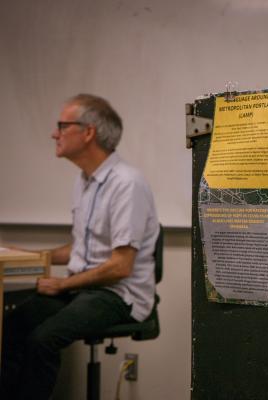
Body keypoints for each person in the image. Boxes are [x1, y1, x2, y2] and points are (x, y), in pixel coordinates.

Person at [0, 94, 159, 399]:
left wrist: (63, 284)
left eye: (62, 125)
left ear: (88, 132)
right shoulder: (84, 181)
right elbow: (83, 250)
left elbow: (119, 266)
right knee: (13, 324)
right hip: (83, 289)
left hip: (118, 295)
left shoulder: (127, 183)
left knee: (42, 340)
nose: (54, 133)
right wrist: (33, 255)